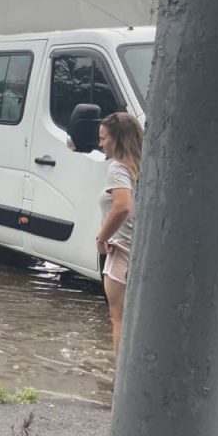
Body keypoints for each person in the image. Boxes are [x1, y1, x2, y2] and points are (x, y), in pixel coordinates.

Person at [95, 111, 143, 356]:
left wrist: (101, 238)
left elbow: (123, 206)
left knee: (119, 319)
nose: (100, 143)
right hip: (140, 249)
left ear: (118, 139)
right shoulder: (143, 166)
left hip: (120, 249)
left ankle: (120, 383)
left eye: (104, 138)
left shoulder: (117, 168)